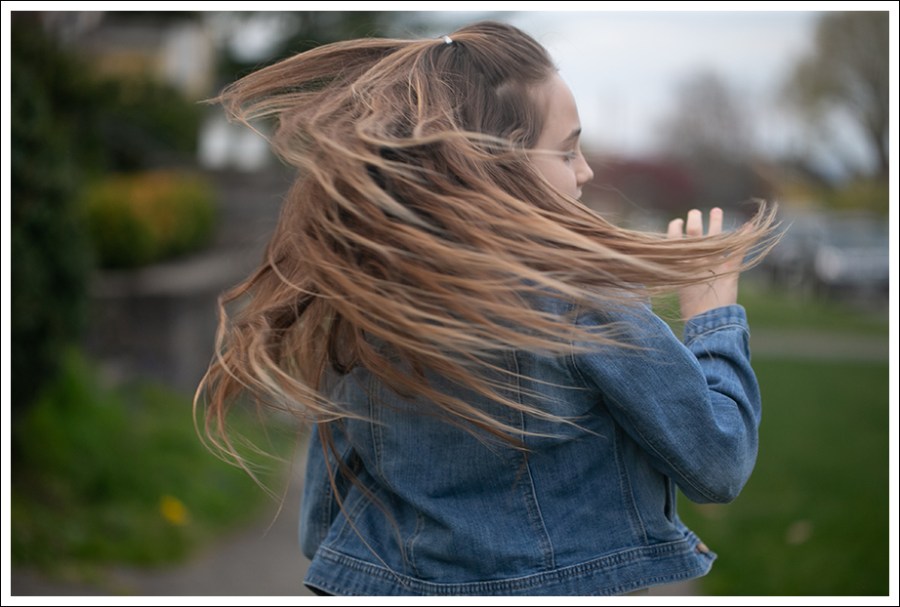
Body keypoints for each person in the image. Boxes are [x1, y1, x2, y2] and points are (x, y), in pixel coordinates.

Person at [196, 21, 778, 596]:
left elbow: (322, 526)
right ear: (494, 165)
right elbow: (717, 463)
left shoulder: (367, 299)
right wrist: (712, 318)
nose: (586, 172)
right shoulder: (584, 297)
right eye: (567, 150)